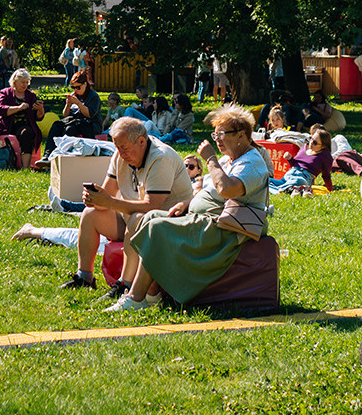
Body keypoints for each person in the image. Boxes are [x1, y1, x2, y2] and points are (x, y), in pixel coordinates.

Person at [108, 104, 270, 312]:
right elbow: (211, 191)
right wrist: (188, 203)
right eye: (215, 134)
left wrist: (210, 159)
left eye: (222, 134)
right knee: (149, 218)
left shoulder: (252, 162)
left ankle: (136, 298)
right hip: (207, 220)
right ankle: (152, 292)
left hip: (227, 229)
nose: (217, 139)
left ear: (241, 134)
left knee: (156, 227)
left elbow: (227, 189)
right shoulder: (228, 160)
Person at [61, 116, 192, 294]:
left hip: (169, 224)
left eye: (124, 148)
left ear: (141, 141)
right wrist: (95, 199)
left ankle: (125, 284)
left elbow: (151, 207)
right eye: (117, 147)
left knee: (137, 218)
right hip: (135, 219)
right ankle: (85, 276)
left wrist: (109, 202)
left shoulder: (160, 158)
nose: (121, 154)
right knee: (90, 214)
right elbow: (108, 195)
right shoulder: (120, 155)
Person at [0, 69, 44, 170]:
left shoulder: (31, 95)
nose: (25, 85)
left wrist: (40, 109)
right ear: (15, 81)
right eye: (22, 82)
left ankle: (25, 168)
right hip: (4, 123)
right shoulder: (5, 92)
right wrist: (19, 108)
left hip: (23, 124)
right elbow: (1, 110)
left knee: (27, 133)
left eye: (27, 82)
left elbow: (38, 117)